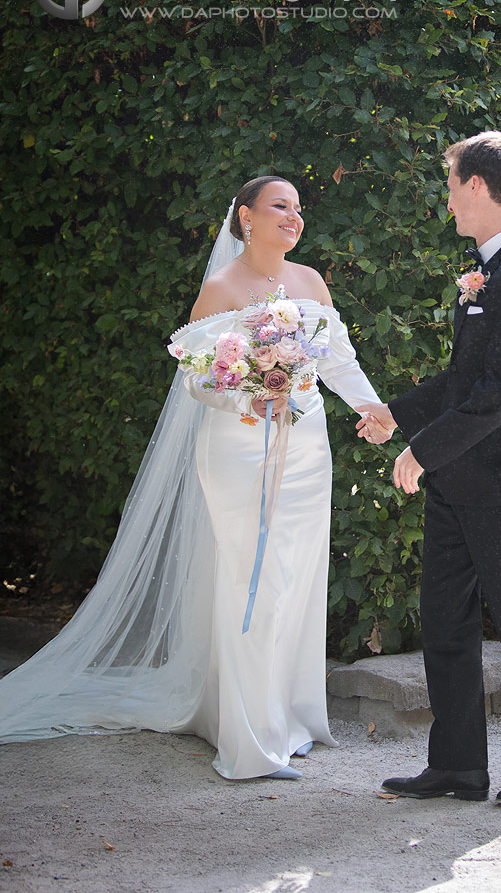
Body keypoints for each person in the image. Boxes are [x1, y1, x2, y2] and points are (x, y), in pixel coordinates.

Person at [0, 176, 382, 782]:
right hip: (239, 449)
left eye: (298, 208)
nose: (293, 216)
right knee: (249, 578)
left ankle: (289, 716)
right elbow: (199, 379)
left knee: (298, 574)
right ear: (246, 216)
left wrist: (371, 407)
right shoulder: (221, 289)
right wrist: (251, 397)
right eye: (279, 206)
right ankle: (249, 741)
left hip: (306, 447)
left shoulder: (310, 282)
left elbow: (337, 358)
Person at [358, 132, 501, 807]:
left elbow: (498, 398)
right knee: (445, 621)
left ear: (477, 186)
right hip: (455, 480)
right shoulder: (485, 271)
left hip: (498, 484)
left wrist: (421, 451)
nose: (447, 198)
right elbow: (461, 378)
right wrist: (395, 414)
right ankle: (456, 766)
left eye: (451, 184)